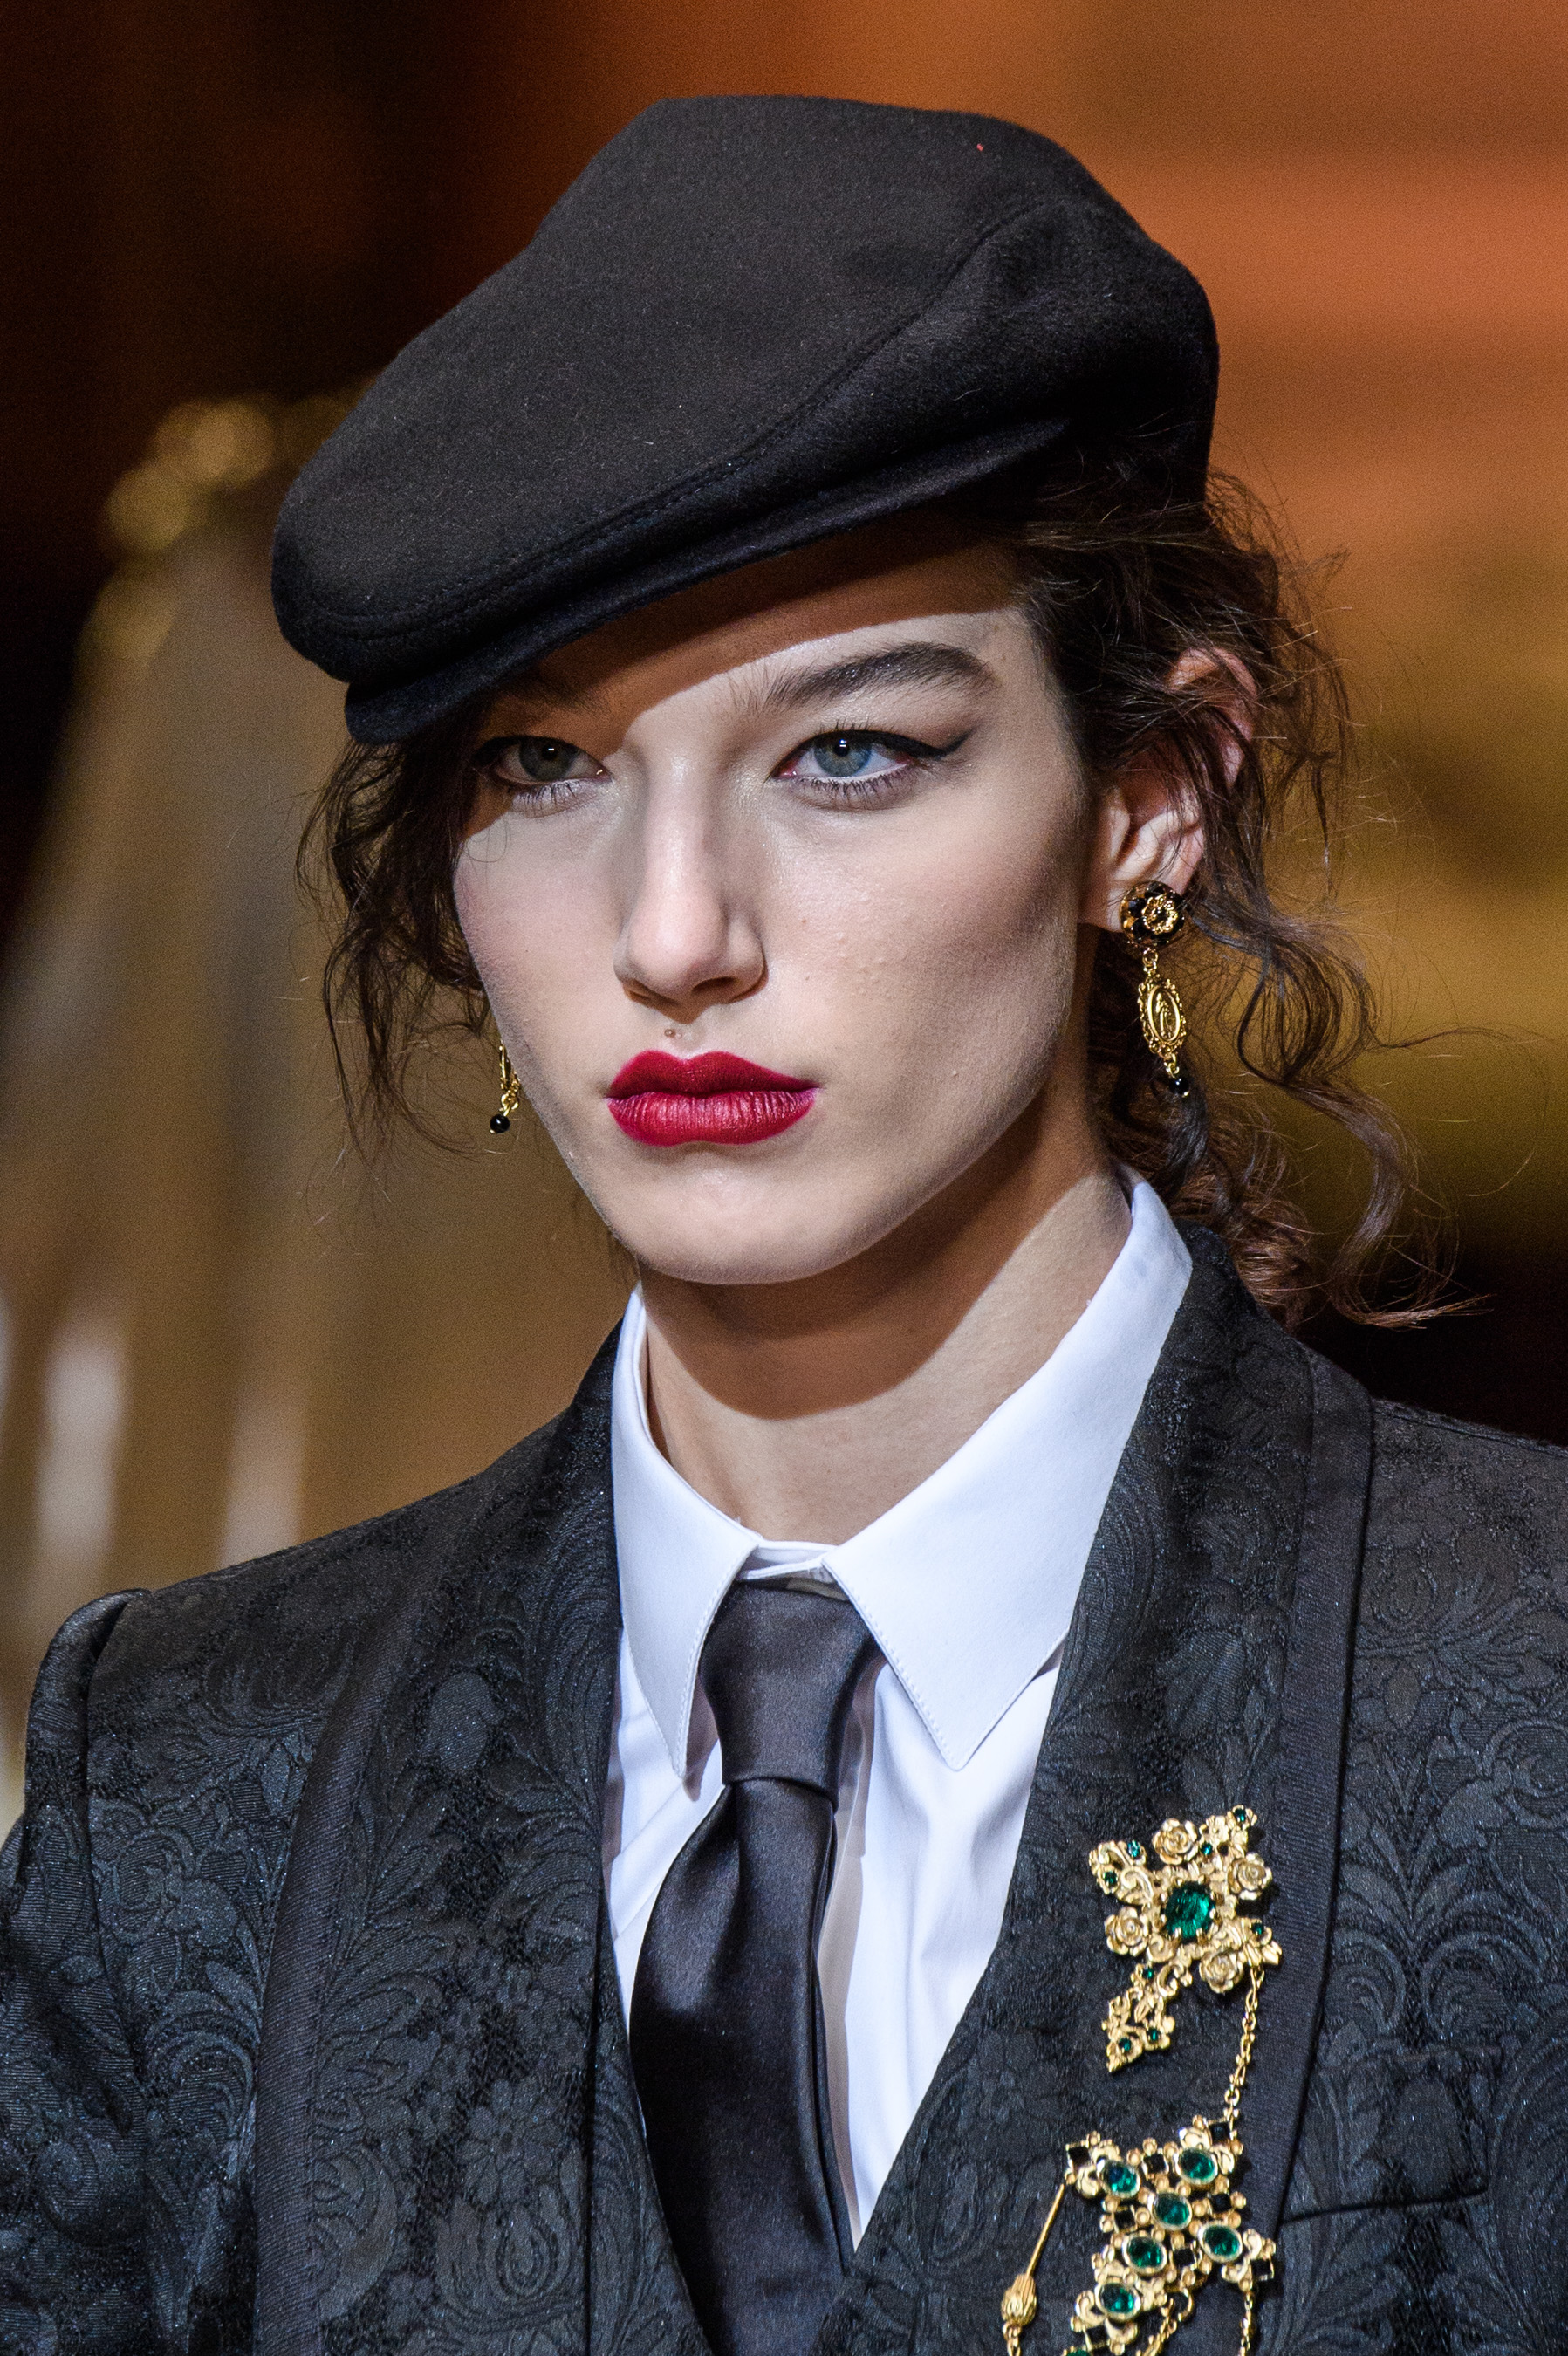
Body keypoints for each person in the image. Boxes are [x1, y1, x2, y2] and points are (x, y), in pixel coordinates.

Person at [3, 95, 1564, 2356]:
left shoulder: (1526, 1694)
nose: (673, 932)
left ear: (1155, 792)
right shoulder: (189, 1778)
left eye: (850, 752)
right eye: (547, 768)